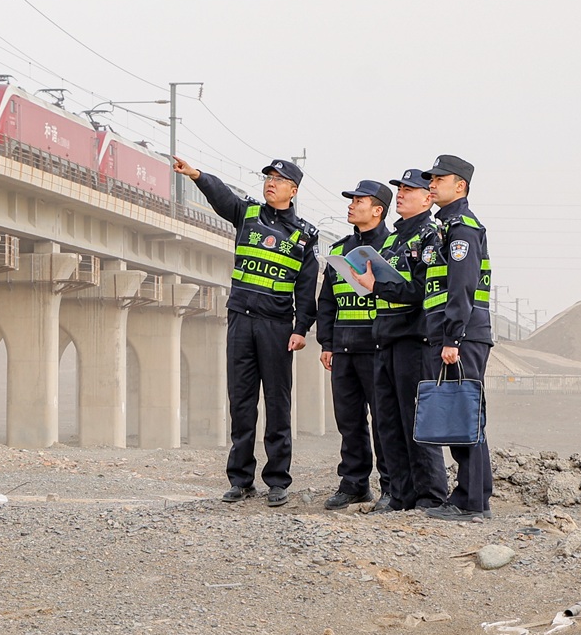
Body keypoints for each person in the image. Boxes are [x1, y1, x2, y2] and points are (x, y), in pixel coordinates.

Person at [173, 154, 320, 507]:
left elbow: (306, 286)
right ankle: (241, 480)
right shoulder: (249, 215)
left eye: (278, 179)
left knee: (277, 402)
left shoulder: (303, 236)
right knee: (241, 402)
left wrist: (301, 328)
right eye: (268, 177)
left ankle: (277, 481)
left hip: (276, 326)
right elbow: (223, 199)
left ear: (293, 190)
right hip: (241, 320)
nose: (270, 183)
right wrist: (197, 175)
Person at [368, 169, 448, 512]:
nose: (400, 194)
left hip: (413, 340)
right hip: (385, 338)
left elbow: (420, 289)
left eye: (408, 189)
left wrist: (377, 286)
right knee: (388, 421)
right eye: (398, 189)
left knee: (416, 420)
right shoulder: (392, 239)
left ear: (427, 197)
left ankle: (430, 495)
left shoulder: (430, 236)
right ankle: (401, 495)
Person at [421, 154, 495, 520]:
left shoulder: (462, 228)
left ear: (460, 186)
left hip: (461, 338)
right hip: (452, 336)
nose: (432, 183)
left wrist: (452, 338)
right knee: (461, 416)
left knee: (466, 417)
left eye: (439, 178)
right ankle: (472, 495)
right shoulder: (446, 228)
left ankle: (472, 502)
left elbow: (462, 287)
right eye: (431, 178)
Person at [315, 179, 391, 509]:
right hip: (344, 349)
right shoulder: (340, 251)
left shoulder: (392, 249)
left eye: (359, 201)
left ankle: (392, 484)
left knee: (385, 420)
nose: (351, 204)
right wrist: (327, 343)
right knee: (349, 421)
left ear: (377, 210)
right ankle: (354, 483)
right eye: (351, 199)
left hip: (379, 349)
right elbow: (327, 301)